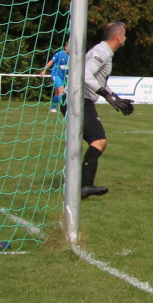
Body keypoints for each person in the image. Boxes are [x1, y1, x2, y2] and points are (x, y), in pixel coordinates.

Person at [81, 22, 134, 197]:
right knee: (99, 141)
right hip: (79, 100)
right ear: (118, 36)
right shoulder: (102, 51)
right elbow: (85, 74)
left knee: (95, 142)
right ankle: (84, 186)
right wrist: (105, 94)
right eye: (124, 34)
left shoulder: (104, 51)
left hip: (81, 100)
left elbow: (98, 81)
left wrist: (115, 98)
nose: (125, 38)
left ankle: (80, 183)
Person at [39, 42, 69, 114]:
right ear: (65, 47)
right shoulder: (60, 54)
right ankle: (66, 108)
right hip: (56, 74)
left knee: (57, 93)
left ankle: (53, 108)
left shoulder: (72, 57)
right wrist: (44, 70)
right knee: (61, 90)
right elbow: (51, 62)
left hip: (63, 76)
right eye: (69, 47)